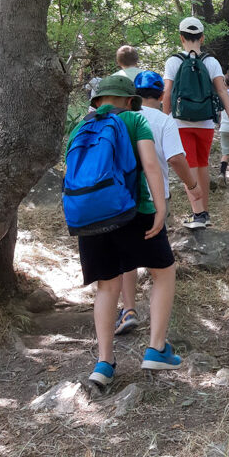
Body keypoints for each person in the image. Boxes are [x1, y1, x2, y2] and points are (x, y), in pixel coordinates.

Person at [65, 76, 183, 388]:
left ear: (97, 102)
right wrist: (161, 208)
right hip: (134, 212)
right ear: (131, 101)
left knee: (107, 286)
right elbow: (151, 166)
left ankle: (104, 363)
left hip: (90, 217)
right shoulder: (134, 119)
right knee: (163, 272)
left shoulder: (80, 127)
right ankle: (156, 348)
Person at [114, 71, 204, 336]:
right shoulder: (164, 121)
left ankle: (128, 309)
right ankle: (158, 326)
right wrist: (193, 186)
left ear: (133, 95)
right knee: (160, 264)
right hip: (155, 197)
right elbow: (176, 158)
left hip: (121, 198)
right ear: (163, 95)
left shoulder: (121, 118)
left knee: (126, 256)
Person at [162, 17, 229, 229]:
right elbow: (222, 90)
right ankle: (204, 212)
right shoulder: (211, 62)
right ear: (202, 38)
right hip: (205, 122)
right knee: (202, 165)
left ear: (181, 38)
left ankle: (198, 215)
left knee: (191, 166)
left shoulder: (173, 61)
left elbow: (167, 92)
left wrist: (164, 118)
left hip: (180, 122)